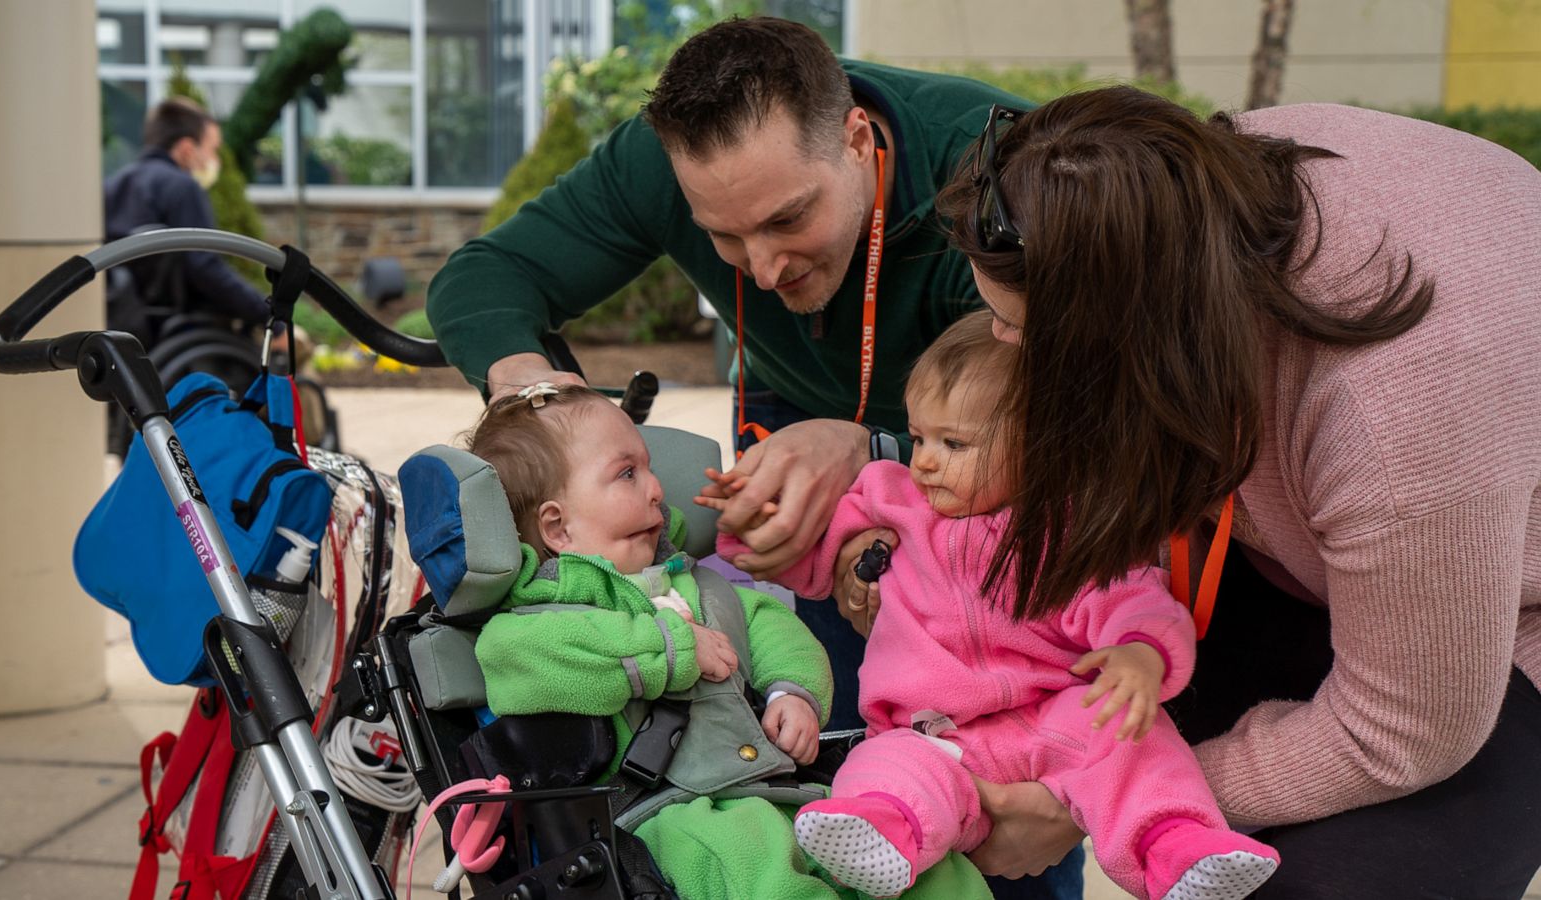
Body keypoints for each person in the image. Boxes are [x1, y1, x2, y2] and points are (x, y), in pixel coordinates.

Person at [428, 18, 1090, 892]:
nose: (767, 268)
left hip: (1001, 464)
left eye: (789, 218)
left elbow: (1083, 427)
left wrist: (873, 455)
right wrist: (542, 403)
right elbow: (481, 281)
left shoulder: (997, 175)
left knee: (990, 757)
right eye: (726, 238)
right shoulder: (659, 163)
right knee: (831, 741)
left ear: (858, 140)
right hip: (793, 417)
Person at [925, 86, 1541, 897]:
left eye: (1023, 331)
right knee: (1006, 719)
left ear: (1131, 327)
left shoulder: (1393, 412)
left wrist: (1099, 796)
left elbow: (1404, 734)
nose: (1003, 346)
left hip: (1491, 634)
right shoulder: (1178, 185)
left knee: (1308, 883)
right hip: (1295, 546)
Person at [711, 312, 1279, 899]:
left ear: (1041, 446)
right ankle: (884, 832)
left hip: (1055, 720)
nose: (924, 459)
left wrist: (1140, 655)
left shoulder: (1071, 532)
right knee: (885, 766)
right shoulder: (892, 500)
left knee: (1134, 740)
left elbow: (1135, 601)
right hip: (934, 731)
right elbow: (810, 557)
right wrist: (750, 523)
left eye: (953, 443)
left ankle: (1175, 849)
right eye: (920, 435)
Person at [459, 384, 990, 899]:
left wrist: (792, 692)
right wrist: (669, 649)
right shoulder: (537, 619)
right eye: (627, 474)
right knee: (758, 868)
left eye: (648, 467)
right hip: (668, 816)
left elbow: (776, 631)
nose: (656, 487)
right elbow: (519, 662)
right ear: (558, 529)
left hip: (770, 785)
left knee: (925, 863)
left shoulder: (703, 586)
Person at [103, 97, 275, 339]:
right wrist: (269, 315)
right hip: (177, 330)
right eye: (212, 149)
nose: (215, 160)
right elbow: (205, 267)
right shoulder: (182, 187)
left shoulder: (112, 186)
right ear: (186, 149)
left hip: (124, 324)